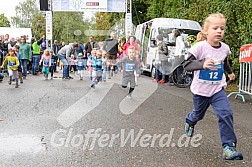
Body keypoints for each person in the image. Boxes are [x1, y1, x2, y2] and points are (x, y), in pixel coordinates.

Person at [182, 13, 243, 160]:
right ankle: (190, 120)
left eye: (222, 28)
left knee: (226, 113)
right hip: (201, 91)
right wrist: (202, 64)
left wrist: (229, 73)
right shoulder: (199, 48)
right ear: (206, 31)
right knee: (198, 114)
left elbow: (224, 61)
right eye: (215, 28)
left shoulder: (225, 48)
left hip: (217, 89)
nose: (219, 31)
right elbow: (186, 65)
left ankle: (229, 147)